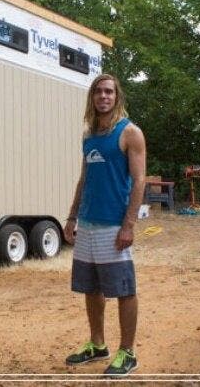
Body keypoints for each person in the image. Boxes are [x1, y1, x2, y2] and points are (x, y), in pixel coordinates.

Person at [63, 73, 146, 377]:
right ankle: (98, 345)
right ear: (92, 97)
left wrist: (129, 225)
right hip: (87, 224)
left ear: (117, 96)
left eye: (109, 91)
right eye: (98, 91)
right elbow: (84, 179)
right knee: (91, 288)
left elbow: (139, 181)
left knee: (124, 289)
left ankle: (128, 352)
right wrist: (72, 216)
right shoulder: (88, 136)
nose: (103, 96)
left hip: (114, 226)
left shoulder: (130, 133)